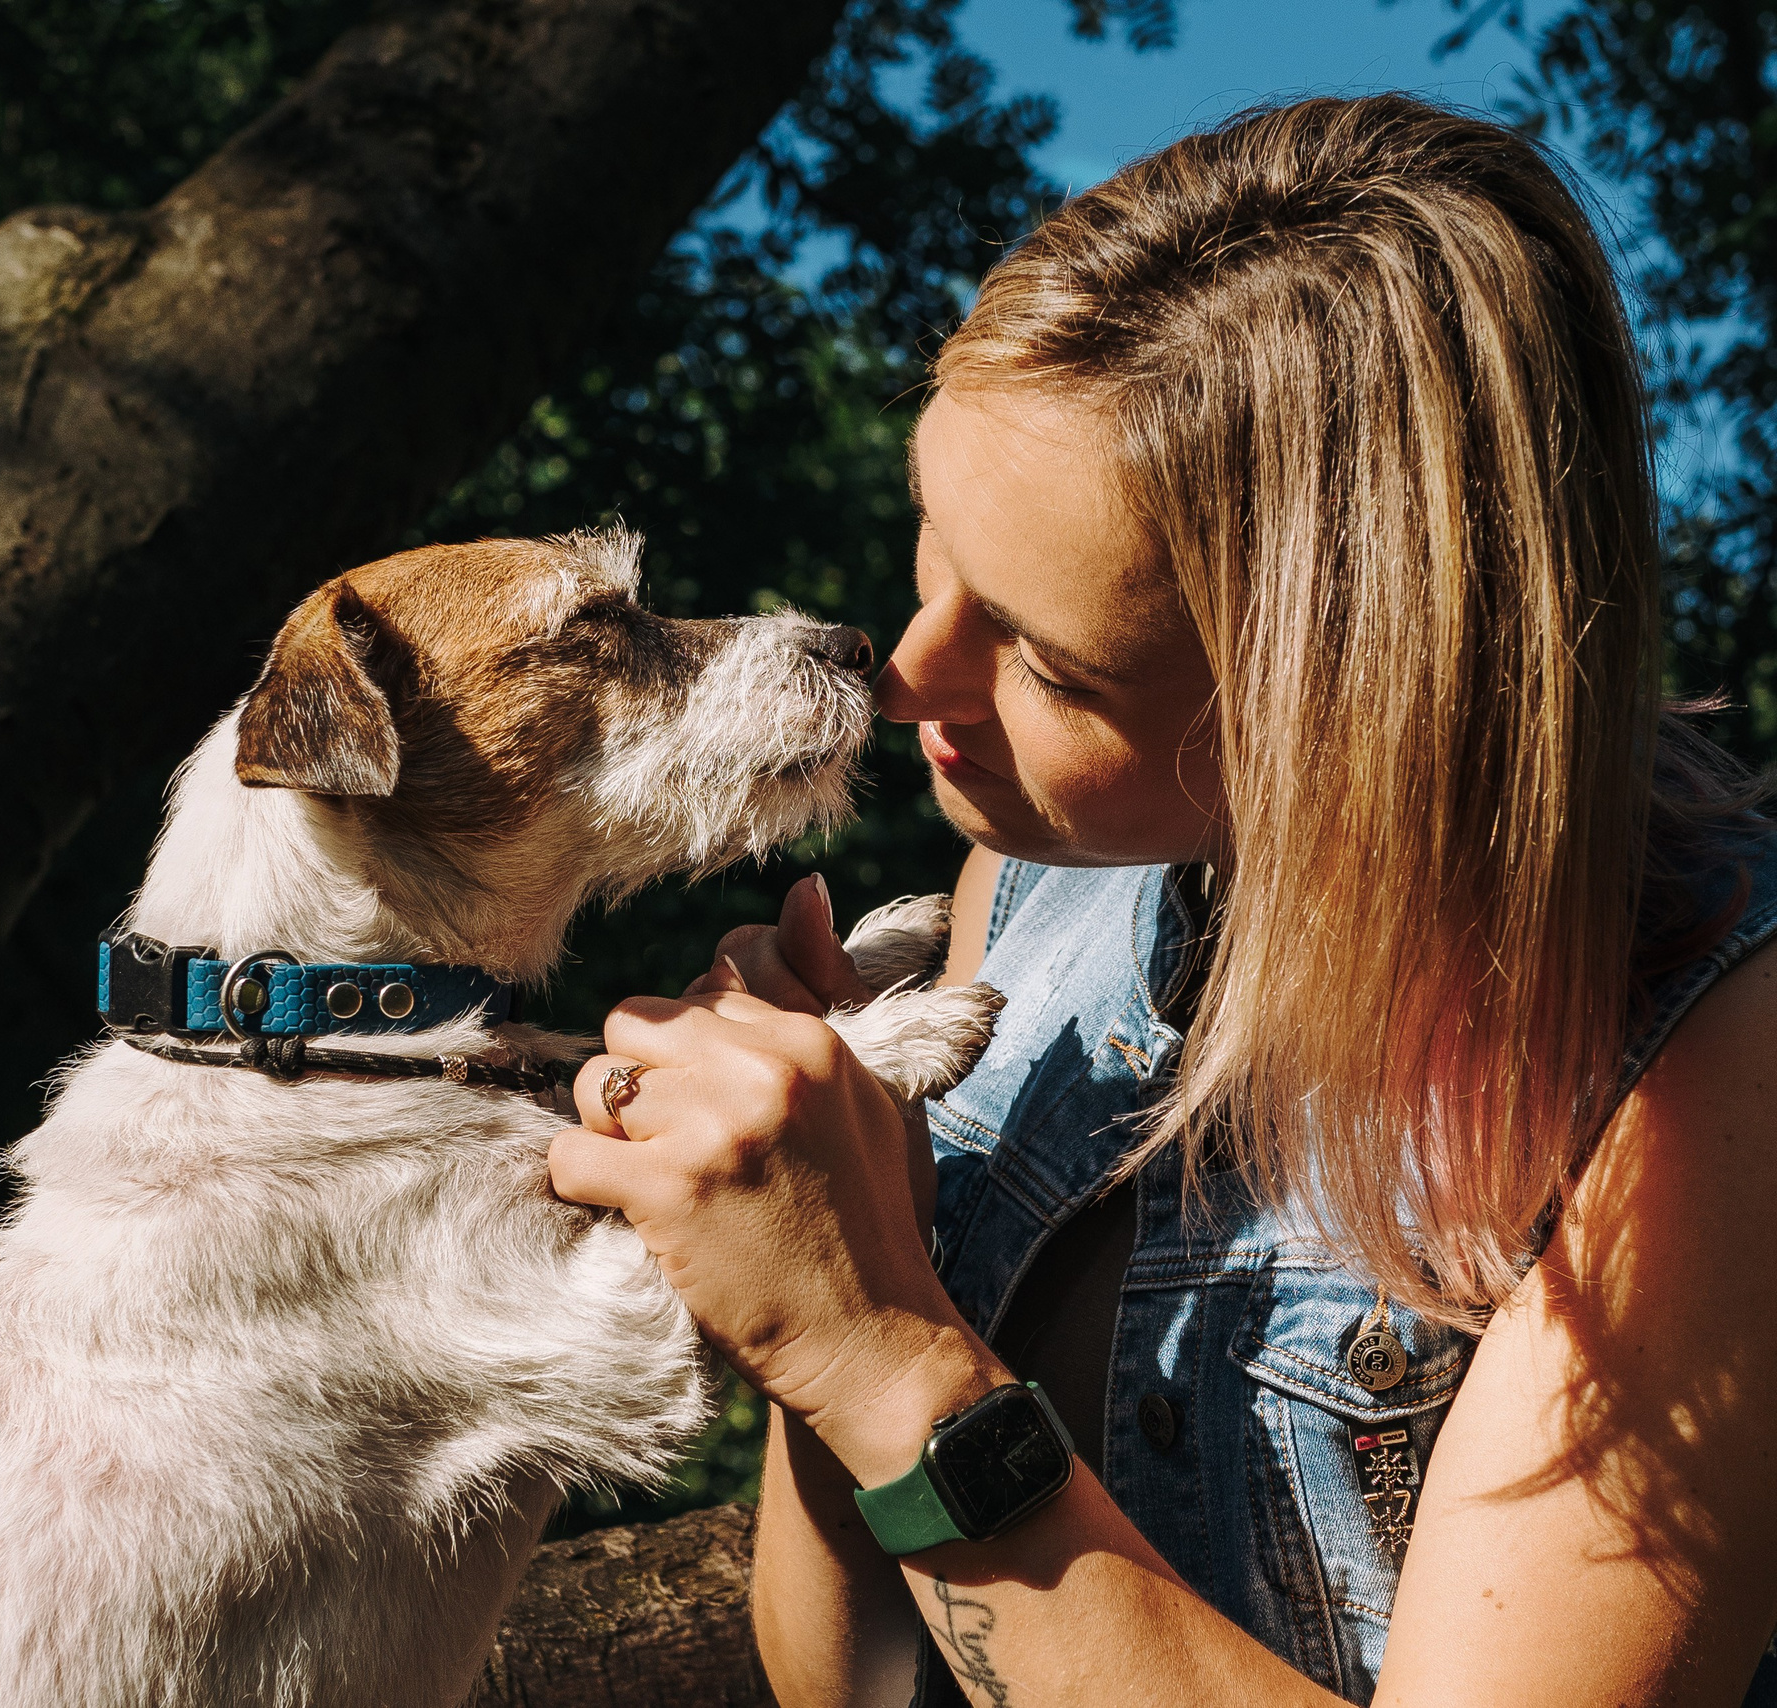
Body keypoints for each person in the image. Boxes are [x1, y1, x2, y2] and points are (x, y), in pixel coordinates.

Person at [548, 93, 1777, 1708]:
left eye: (1050, 663)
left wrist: (879, 1344)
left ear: (1353, 705)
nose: (911, 681)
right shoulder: (1042, 896)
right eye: (933, 549)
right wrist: (825, 1260)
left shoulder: (1713, 1056)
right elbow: (850, 1682)